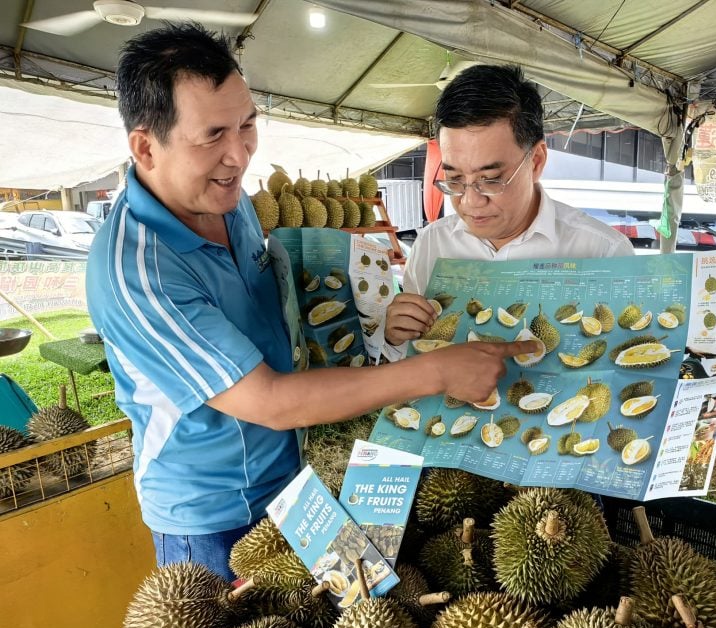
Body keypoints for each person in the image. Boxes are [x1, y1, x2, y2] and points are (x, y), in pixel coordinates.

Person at [85, 23, 535, 581]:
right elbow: (270, 401)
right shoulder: (137, 271)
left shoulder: (229, 203)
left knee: (340, 618)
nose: (238, 155)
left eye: (247, 125)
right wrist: (438, 371)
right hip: (214, 516)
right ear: (146, 147)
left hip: (298, 482)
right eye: (213, 135)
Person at [382, 64, 716, 391]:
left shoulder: (603, 252)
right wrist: (395, 335)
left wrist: (715, 377)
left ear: (536, 161)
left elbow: (639, 366)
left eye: (491, 179)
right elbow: (411, 362)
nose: (470, 201)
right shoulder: (432, 244)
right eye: (454, 180)